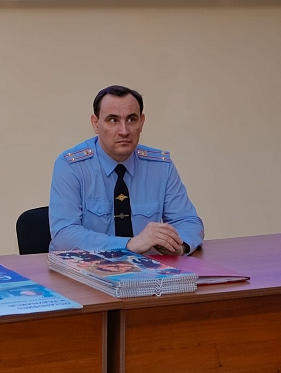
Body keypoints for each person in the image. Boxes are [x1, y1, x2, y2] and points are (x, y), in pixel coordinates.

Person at [49, 85, 203, 254]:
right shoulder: (71, 166)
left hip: (147, 269)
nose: (124, 131)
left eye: (131, 120)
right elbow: (63, 236)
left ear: (142, 122)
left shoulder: (160, 166)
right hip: (87, 268)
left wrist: (179, 247)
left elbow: (188, 221)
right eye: (113, 120)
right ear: (95, 124)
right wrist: (128, 244)